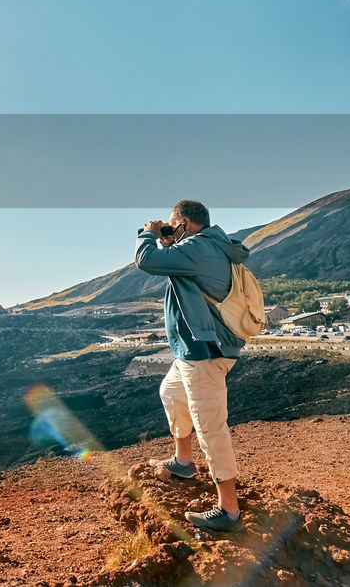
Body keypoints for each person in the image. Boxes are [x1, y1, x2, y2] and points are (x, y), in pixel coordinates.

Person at [135, 199, 250, 532]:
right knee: (170, 392)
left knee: (211, 427)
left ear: (184, 222)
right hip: (192, 351)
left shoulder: (199, 248)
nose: (169, 230)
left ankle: (229, 511)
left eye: (173, 225)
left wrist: (148, 234)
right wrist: (171, 240)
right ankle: (184, 461)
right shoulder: (206, 246)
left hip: (205, 354)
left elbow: (147, 261)